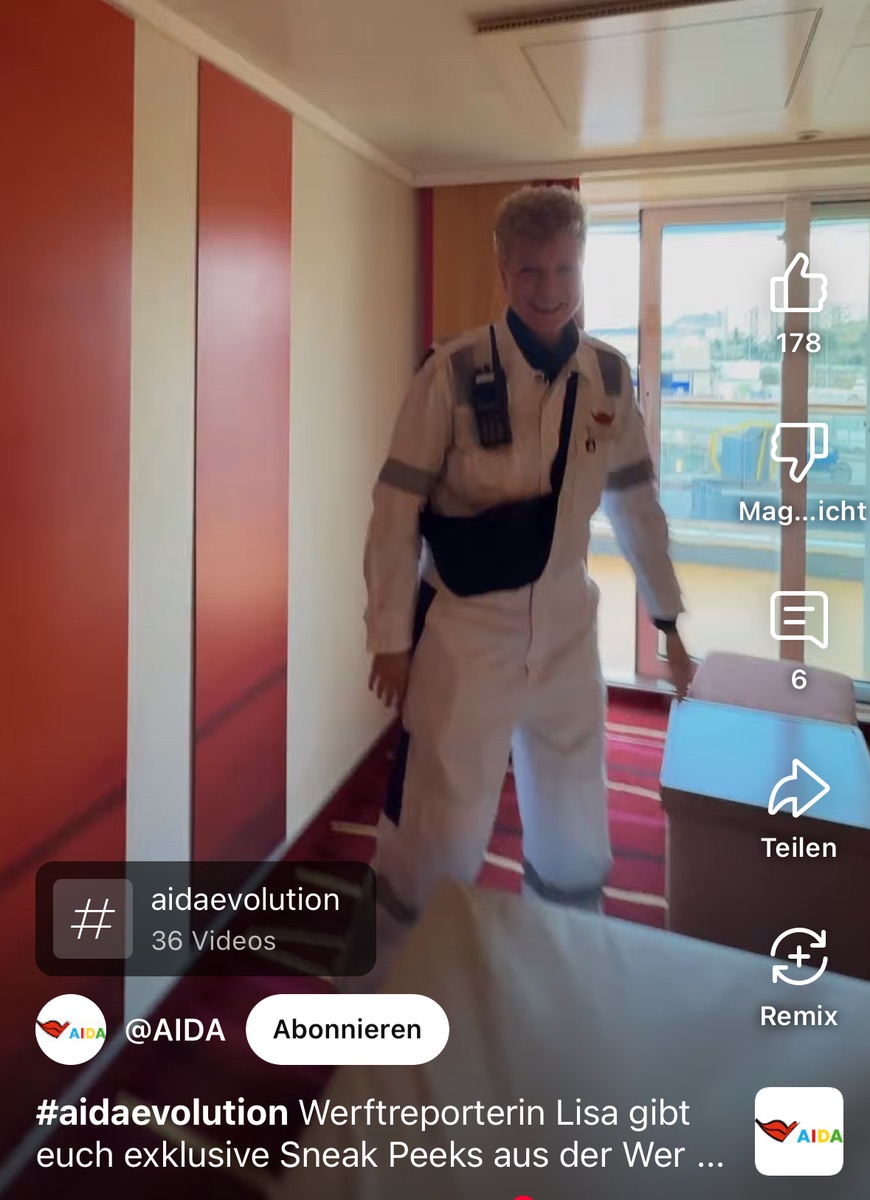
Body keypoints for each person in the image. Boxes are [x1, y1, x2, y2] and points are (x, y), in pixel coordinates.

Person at [349, 185, 692, 991]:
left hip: (569, 633)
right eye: (531, 270)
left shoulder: (608, 377)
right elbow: (395, 509)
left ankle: (562, 984)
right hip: (468, 636)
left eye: (565, 269)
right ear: (504, 271)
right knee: (437, 829)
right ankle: (387, 1000)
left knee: (575, 830)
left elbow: (637, 504)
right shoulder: (450, 372)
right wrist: (389, 637)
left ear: (583, 267)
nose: (549, 289)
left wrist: (668, 620)